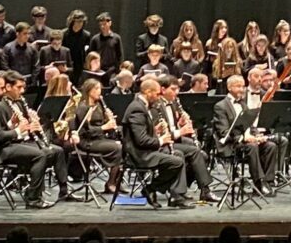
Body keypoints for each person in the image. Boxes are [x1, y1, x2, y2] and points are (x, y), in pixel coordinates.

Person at [0, 72, 52, 208]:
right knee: (40, 155)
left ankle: (33, 192)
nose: (4, 91)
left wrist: (12, 125)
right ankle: (33, 198)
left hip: (2, 147)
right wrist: (19, 130)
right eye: (2, 88)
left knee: (43, 151)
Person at [0, 71, 71, 202]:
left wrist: (35, 124)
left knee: (58, 151)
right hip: (13, 144)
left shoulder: (20, 102)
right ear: (8, 87)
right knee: (43, 154)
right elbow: (2, 133)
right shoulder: (0, 105)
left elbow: (26, 125)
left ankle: (64, 191)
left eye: (23, 87)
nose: (22, 91)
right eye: (19, 87)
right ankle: (33, 194)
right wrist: (22, 128)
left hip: (27, 141)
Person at [122, 79, 193, 208]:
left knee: (178, 154)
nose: (158, 97)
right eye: (157, 93)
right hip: (139, 154)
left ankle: (176, 196)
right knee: (176, 162)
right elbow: (141, 140)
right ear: (148, 92)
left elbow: (141, 132)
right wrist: (161, 140)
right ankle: (151, 188)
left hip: (146, 150)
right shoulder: (137, 109)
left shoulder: (142, 105)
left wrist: (155, 130)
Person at [156, 76, 217, 202]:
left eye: (177, 89)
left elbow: (172, 126)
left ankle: (185, 186)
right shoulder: (156, 105)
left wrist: (181, 124)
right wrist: (181, 131)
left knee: (203, 155)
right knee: (195, 152)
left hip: (174, 140)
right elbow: (160, 133)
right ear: (163, 89)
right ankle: (204, 190)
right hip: (162, 144)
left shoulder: (173, 102)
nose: (177, 92)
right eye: (173, 89)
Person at [213, 74, 277, 195]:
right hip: (231, 144)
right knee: (252, 147)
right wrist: (244, 138)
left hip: (246, 142)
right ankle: (259, 182)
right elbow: (223, 132)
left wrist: (257, 136)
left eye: (243, 86)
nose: (242, 89)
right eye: (238, 86)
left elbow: (250, 125)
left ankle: (268, 181)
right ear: (229, 87)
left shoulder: (243, 104)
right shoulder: (220, 106)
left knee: (270, 146)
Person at [72, 78, 123, 193]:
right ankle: (111, 182)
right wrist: (104, 127)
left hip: (99, 138)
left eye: (100, 88)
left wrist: (108, 119)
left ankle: (117, 181)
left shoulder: (99, 104)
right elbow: (85, 131)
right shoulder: (83, 107)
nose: (99, 91)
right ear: (89, 90)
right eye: (96, 88)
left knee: (125, 145)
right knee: (118, 148)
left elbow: (102, 125)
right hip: (87, 141)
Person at [62, 10, 92, 83]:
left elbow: (87, 50)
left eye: (82, 21)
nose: (80, 24)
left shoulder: (86, 35)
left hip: (79, 64)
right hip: (67, 63)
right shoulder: (64, 34)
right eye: (78, 21)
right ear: (72, 21)